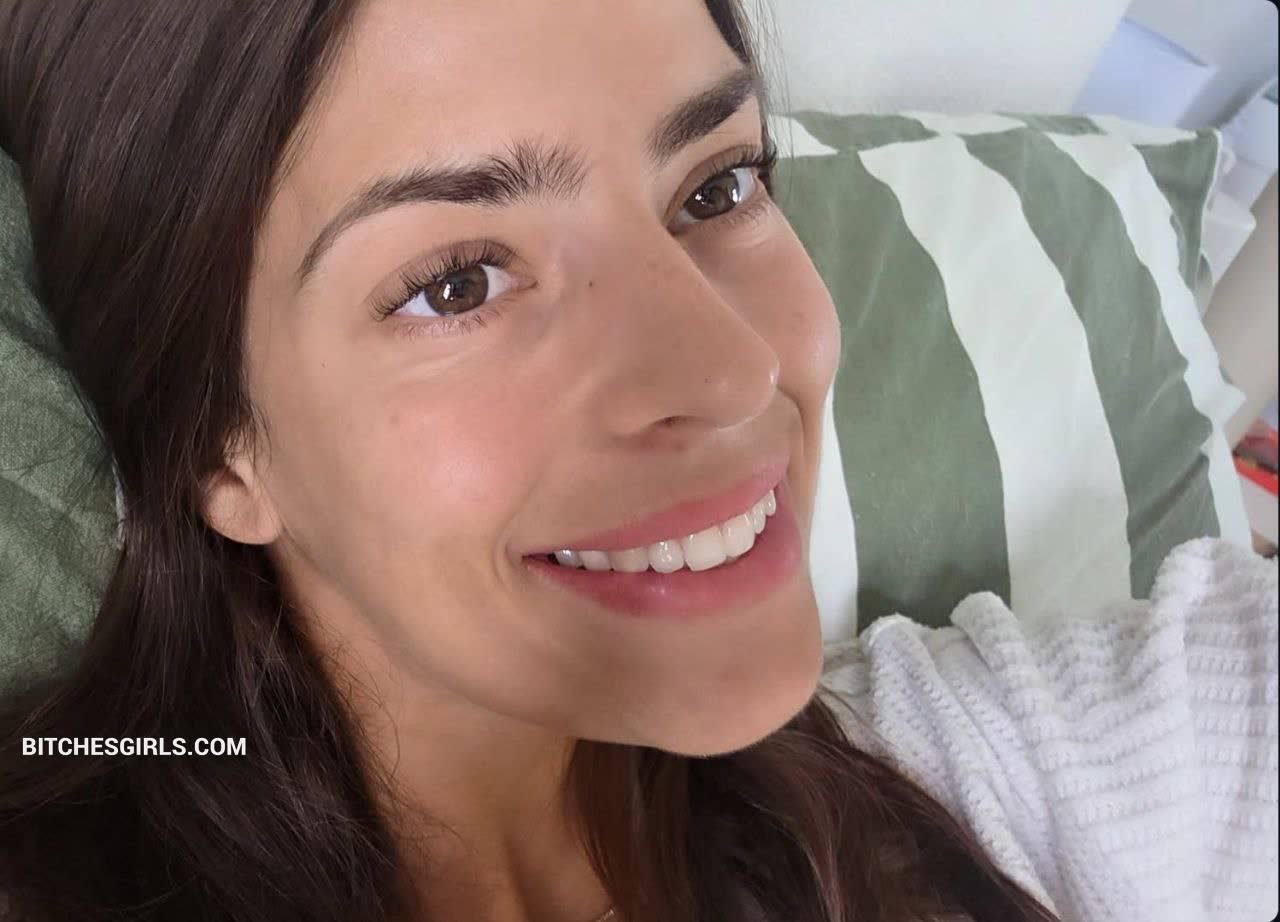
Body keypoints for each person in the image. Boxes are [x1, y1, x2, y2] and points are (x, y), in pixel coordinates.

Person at [0, 2, 1274, 921]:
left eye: (716, 187)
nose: (733, 375)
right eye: (458, 282)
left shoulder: (988, 767)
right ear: (219, 451)